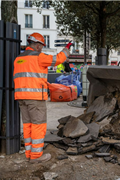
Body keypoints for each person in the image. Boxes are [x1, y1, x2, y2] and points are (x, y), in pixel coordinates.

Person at [13, 32, 71, 163]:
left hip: (21, 97)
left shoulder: (18, 59)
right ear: (38, 45)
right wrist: (66, 51)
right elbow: (58, 60)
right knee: (38, 126)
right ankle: (36, 156)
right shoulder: (38, 57)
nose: (42, 48)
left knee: (27, 125)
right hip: (35, 98)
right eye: (42, 46)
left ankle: (29, 153)